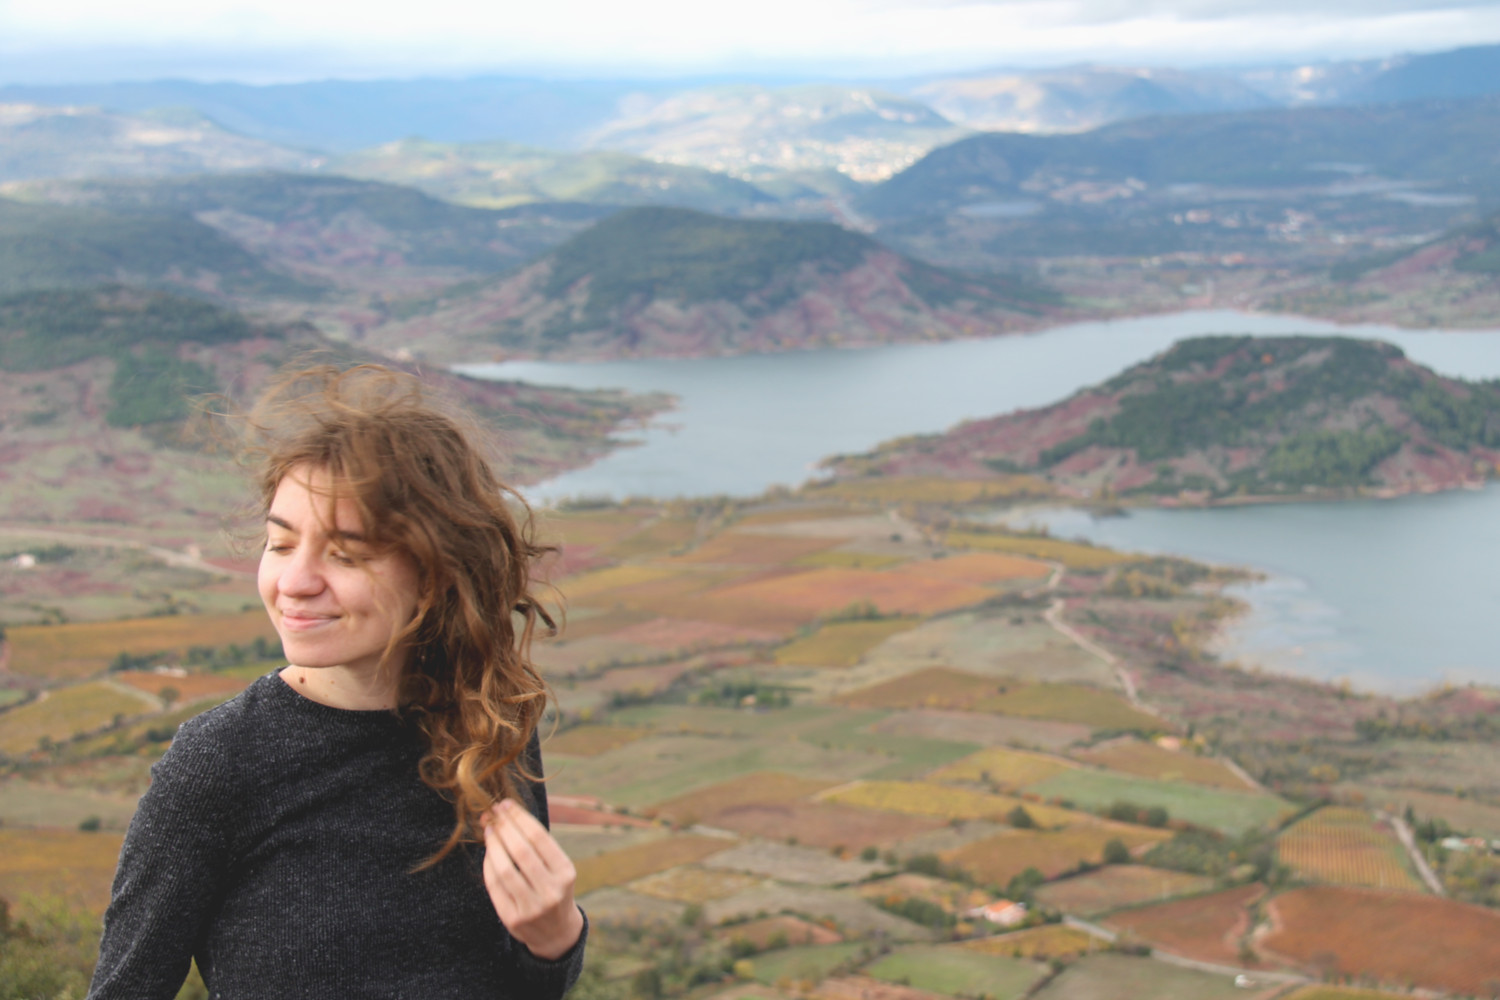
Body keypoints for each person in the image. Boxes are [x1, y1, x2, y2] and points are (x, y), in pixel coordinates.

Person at [87, 364, 587, 999]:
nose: (294, 582)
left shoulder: (495, 723)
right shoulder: (218, 764)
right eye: (280, 543)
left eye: (346, 554)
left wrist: (555, 937)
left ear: (435, 574)